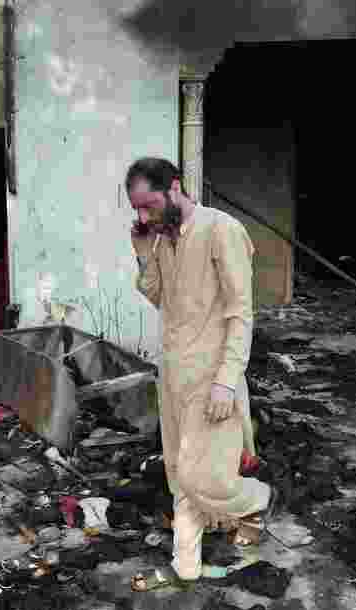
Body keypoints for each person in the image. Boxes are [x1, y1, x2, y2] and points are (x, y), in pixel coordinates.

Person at [126, 157, 275, 585]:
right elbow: (158, 297)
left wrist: (227, 381)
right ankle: (185, 564)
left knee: (202, 475)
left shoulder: (220, 230)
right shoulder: (161, 239)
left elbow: (240, 314)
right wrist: (142, 251)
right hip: (172, 373)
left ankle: (258, 500)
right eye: (136, 209)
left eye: (148, 205)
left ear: (175, 188)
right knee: (178, 472)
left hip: (212, 378)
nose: (142, 216)